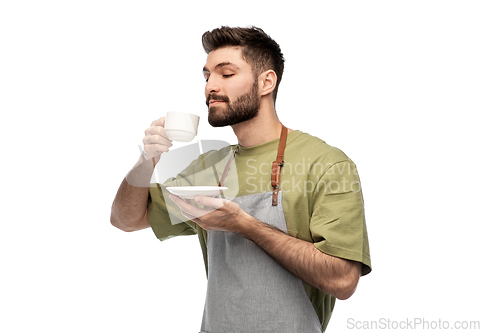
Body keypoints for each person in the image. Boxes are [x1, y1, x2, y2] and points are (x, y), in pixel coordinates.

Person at [111, 26, 371, 333]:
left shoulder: (327, 164)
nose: (210, 86)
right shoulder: (209, 166)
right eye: (207, 76)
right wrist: (147, 159)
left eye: (226, 74)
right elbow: (126, 219)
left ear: (266, 82)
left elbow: (342, 281)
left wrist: (244, 224)